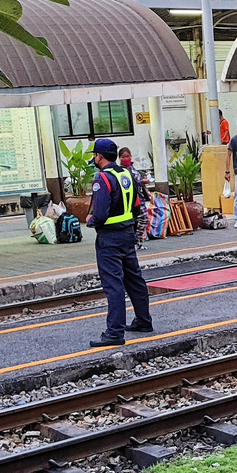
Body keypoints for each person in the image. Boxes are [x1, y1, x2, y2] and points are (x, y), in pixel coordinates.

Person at [83, 138, 153, 347]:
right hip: (127, 233)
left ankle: (114, 332)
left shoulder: (102, 179)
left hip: (109, 238)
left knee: (113, 284)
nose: (94, 158)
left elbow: (101, 213)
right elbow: (136, 204)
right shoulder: (126, 174)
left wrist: (90, 220)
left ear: (99, 156)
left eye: (95, 155)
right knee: (134, 278)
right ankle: (143, 320)